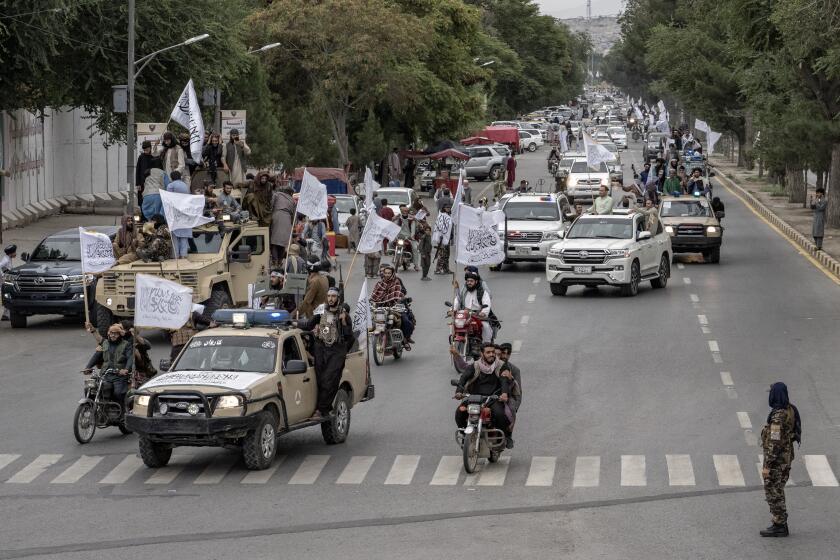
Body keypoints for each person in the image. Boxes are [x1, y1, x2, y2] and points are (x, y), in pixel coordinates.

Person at [295, 288, 352, 420]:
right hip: (321, 348)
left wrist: (343, 321)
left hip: (336, 350)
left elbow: (349, 335)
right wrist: (294, 323)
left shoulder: (343, 313)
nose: (331, 298)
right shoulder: (321, 310)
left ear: (338, 298)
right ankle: (321, 406)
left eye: (333, 296)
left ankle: (322, 410)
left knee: (329, 379)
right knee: (320, 379)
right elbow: (309, 324)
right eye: (329, 296)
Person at [760, 382, 801, 537]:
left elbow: (774, 443)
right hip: (785, 458)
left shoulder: (778, 416)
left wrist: (767, 466)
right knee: (777, 489)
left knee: (774, 491)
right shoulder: (789, 409)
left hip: (777, 461)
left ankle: (780, 524)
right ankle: (779, 522)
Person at [452, 343, 512, 447]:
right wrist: (458, 392)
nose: (491, 354)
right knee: (460, 411)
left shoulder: (501, 365)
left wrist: (504, 394)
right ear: (482, 353)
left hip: (493, 399)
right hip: (474, 398)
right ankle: (465, 435)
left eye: (493, 352)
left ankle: (505, 437)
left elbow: (504, 381)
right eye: (488, 352)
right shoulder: (475, 366)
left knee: (500, 415)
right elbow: (463, 378)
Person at [83, 323, 134, 414]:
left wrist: (126, 369)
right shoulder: (105, 343)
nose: (113, 335)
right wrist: (88, 367)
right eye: (111, 333)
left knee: (118, 393)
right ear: (108, 333)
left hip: (119, 376)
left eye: (116, 333)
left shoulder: (126, 345)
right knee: (90, 388)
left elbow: (130, 358)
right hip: (105, 375)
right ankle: (92, 409)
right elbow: (96, 356)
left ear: (120, 334)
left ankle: (121, 412)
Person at [369, 263, 414, 344]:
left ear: (392, 273)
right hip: (381, 309)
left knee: (406, 321)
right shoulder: (379, 283)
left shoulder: (397, 281)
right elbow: (374, 296)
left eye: (389, 273)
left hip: (395, 307)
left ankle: (405, 338)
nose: (386, 275)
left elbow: (399, 294)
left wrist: (400, 300)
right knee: (372, 321)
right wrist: (371, 302)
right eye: (384, 273)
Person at [454, 270, 494, 343]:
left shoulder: (482, 292)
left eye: (471, 281)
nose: (469, 283)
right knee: (454, 324)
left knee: (485, 327)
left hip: (477, 315)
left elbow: (487, 304)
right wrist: (452, 309)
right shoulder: (463, 291)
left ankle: (486, 345)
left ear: (476, 282)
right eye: (468, 281)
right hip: (465, 315)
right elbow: (457, 300)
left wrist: (483, 313)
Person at [497, 342, 522, 447]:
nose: (505, 356)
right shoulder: (490, 365)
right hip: (489, 397)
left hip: (507, 398)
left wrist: (515, 406)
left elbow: (518, 391)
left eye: (508, 354)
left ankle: (508, 435)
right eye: (503, 353)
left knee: (511, 410)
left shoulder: (514, 370)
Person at [165, 171, 192, 259]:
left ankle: (175, 255)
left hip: (175, 213)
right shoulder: (185, 185)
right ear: (180, 177)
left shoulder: (171, 185)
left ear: (171, 177)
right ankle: (183, 255)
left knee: (175, 236)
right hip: (185, 213)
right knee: (184, 235)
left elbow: (168, 199)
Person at [270, 184, 296, 265]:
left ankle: (275, 261)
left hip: (277, 216)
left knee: (274, 242)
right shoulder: (292, 200)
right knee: (283, 243)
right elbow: (293, 214)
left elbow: (271, 205)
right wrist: (292, 224)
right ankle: (280, 261)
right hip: (287, 219)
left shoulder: (276, 195)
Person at [393, 204, 419, 271]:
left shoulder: (411, 219)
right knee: (390, 242)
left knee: (415, 248)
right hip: (399, 236)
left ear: (407, 212)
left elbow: (413, 229)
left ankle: (416, 265)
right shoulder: (398, 218)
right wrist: (393, 235)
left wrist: (412, 236)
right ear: (401, 211)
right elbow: (395, 226)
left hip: (409, 237)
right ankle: (393, 254)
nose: (404, 212)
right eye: (403, 211)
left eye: (406, 211)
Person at [135, 140, 157, 209]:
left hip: (151, 184)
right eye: (144, 149)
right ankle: (142, 218)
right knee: (142, 201)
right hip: (142, 183)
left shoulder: (154, 157)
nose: (145, 150)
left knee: (151, 200)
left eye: (147, 149)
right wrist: (138, 183)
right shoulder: (141, 157)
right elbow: (138, 170)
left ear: (150, 148)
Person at [433, 205, 453, 275]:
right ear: (444, 208)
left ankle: (446, 269)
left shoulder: (449, 215)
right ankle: (438, 269)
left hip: (448, 238)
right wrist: (440, 235)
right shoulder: (441, 216)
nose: (448, 208)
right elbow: (439, 226)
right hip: (442, 238)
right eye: (447, 207)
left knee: (447, 254)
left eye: (449, 207)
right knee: (441, 254)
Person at [1, 244, 16, 321]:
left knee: (8, 296)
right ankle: (5, 315)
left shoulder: (8, 258)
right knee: (7, 296)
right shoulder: (6, 260)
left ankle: (5, 315)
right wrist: (3, 275)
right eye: (14, 252)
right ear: (11, 253)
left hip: (6, 281)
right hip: (3, 282)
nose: (15, 254)